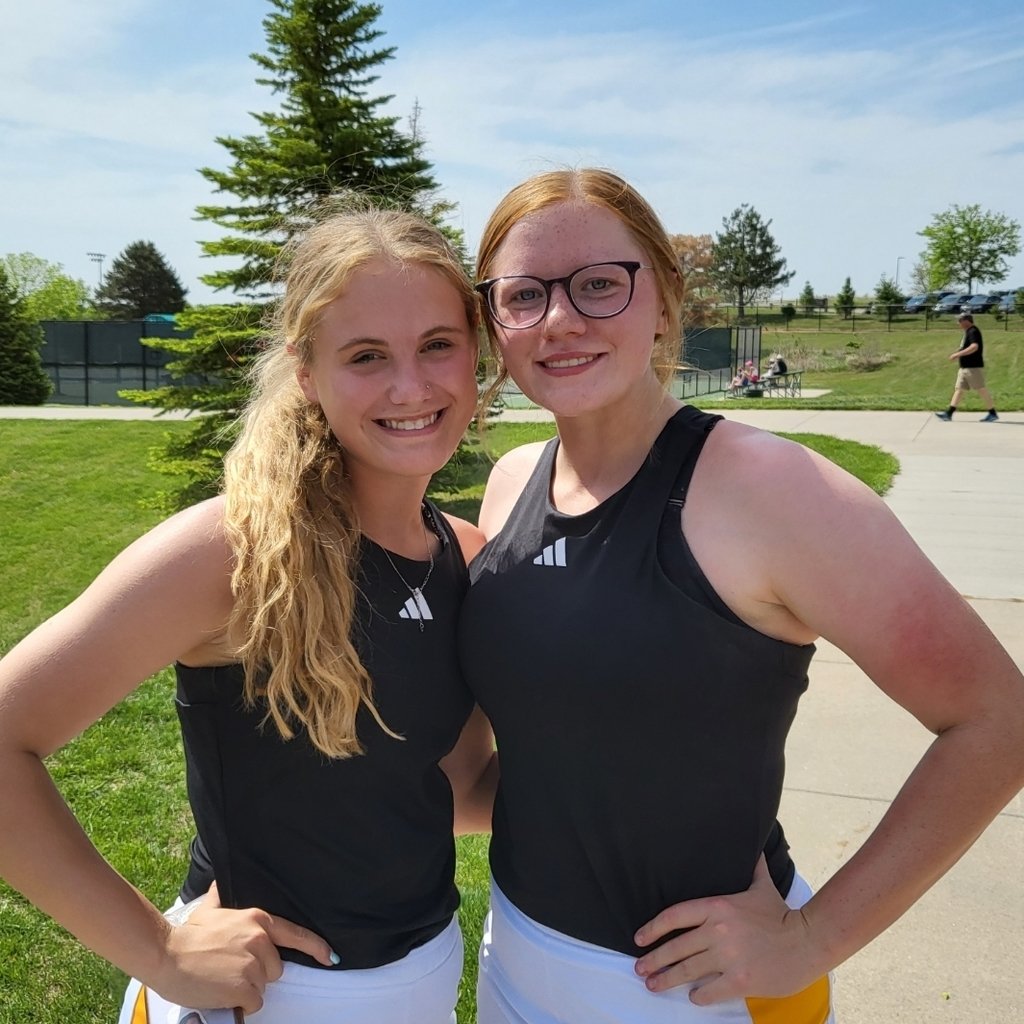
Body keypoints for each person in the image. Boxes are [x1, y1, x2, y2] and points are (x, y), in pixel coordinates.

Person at [459, 168, 1024, 1023]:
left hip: (693, 991)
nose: (561, 319)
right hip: (516, 958)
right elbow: (545, 752)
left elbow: (997, 719)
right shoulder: (509, 484)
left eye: (600, 284)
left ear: (665, 297)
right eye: (524, 294)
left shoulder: (768, 490)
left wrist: (812, 940)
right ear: (493, 321)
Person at [0, 206, 496, 1024]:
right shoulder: (233, 553)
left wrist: (626, 764)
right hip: (264, 997)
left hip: (426, 977)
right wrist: (158, 951)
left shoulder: (464, 553)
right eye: (367, 355)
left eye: (437, 344)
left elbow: (464, 785)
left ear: (474, 355)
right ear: (306, 370)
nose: (411, 386)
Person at [935, 313, 998, 421]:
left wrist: (958, 354)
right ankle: (949, 414)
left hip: (972, 367)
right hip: (964, 368)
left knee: (981, 389)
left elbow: (974, 347)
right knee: (959, 389)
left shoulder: (973, 331)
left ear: (966, 321)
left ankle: (992, 413)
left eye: (960, 321)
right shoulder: (968, 332)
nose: (958, 323)